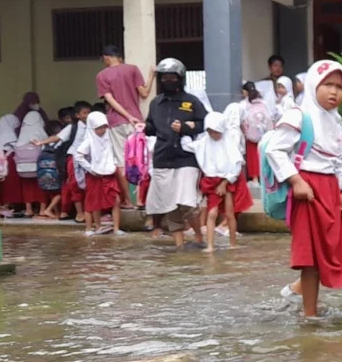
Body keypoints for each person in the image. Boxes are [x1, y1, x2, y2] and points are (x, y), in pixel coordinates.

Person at [265, 59, 342, 317]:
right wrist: (296, 181)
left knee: (331, 248)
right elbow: (275, 150)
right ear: (313, 85)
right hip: (306, 191)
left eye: (340, 87)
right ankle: (310, 316)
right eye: (327, 85)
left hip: (329, 190)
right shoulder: (299, 115)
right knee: (310, 256)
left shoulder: (336, 121)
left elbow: (341, 157)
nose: (334, 92)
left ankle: (301, 293)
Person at [143, 57, 207, 248]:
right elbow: (151, 126)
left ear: (180, 78)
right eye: (164, 77)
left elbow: (205, 123)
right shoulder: (156, 103)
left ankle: (198, 235)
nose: (168, 80)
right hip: (162, 158)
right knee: (169, 204)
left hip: (186, 158)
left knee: (187, 202)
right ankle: (179, 246)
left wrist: (188, 127)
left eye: (172, 77)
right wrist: (144, 128)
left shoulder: (192, 101)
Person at [97, 45, 156, 207]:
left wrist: (126, 116)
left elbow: (110, 100)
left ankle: (128, 201)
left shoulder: (102, 76)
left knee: (121, 163)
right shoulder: (132, 69)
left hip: (116, 122)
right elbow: (144, 93)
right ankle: (140, 199)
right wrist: (151, 76)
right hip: (137, 122)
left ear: (106, 57)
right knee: (139, 160)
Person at [182, 112, 249, 252]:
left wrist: (225, 182)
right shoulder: (204, 142)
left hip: (227, 180)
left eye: (217, 132)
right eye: (211, 132)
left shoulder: (228, 143)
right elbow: (188, 146)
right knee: (212, 213)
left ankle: (232, 243)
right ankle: (210, 245)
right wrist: (184, 131)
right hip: (212, 181)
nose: (214, 135)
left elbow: (236, 165)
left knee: (229, 213)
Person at [73, 111, 124, 236]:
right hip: (94, 176)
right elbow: (78, 155)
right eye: (98, 128)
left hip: (109, 174)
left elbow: (113, 153)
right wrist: (90, 169)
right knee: (93, 203)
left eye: (104, 127)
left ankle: (116, 228)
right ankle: (90, 228)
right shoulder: (89, 140)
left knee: (116, 200)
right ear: (92, 128)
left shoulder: (108, 138)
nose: (102, 130)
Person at [13, 110, 49, 217]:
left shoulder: (22, 132)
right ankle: (42, 209)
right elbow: (46, 144)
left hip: (23, 168)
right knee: (41, 187)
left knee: (27, 188)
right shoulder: (39, 131)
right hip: (38, 166)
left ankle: (29, 209)